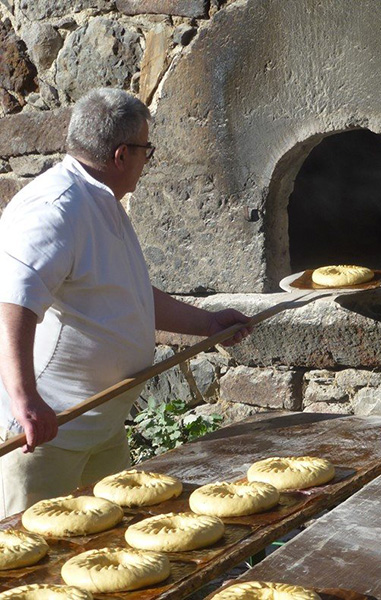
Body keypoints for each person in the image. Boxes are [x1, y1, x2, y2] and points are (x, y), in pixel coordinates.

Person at [0, 88, 251, 519]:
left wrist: (207, 323)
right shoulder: (56, 208)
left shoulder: (101, 201)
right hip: (46, 435)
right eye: (146, 150)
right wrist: (25, 399)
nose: (146, 161)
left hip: (102, 427)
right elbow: (13, 302)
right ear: (121, 155)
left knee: (108, 555)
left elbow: (130, 294)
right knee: (29, 571)